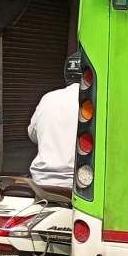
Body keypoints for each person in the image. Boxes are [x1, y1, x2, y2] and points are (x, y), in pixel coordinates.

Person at [27, 55, 81, 190]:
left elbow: (33, 134)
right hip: (77, 183)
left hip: (40, 180)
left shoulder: (48, 98)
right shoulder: (94, 101)